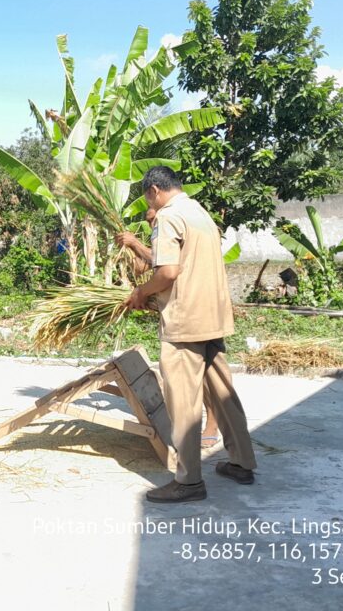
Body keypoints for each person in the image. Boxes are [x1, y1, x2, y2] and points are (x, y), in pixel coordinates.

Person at [124, 166, 256, 503]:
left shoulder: (169, 217)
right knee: (223, 393)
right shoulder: (199, 212)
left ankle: (188, 482)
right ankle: (242, 463)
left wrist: (140, 292)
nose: (149, 205)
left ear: (154, 190)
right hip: (212, 315)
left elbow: (168, 272)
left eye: (147, 199)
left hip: (185, 321)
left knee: (183, 402)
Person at [115, 207, 220, 450]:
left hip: (198, 307)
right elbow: (147, 268)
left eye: (153, 218)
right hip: (179, 311)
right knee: (190, 371)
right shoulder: (161, 230)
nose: (152, 222)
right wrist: (131, 252)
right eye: (149, 220)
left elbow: (169, 266)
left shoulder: (180, 224)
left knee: (205, 370)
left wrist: (135, 243)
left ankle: (212, 425)